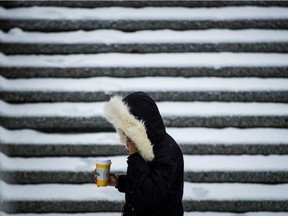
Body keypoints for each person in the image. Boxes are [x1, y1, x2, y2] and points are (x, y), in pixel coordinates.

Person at [94, 91, 184, 216]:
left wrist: (135, 157)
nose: (125, 133)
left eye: (128, 127)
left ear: (141, 125)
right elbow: (143, 184)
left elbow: (152, 194)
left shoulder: (167, 153)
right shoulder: (146, 145)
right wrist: (119, 182)